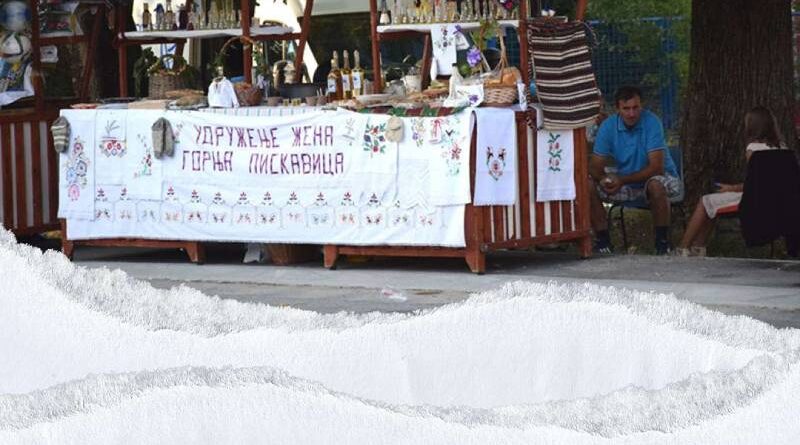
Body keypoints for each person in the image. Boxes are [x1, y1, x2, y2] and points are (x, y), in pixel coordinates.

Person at [675, 106, 787, 256]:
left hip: (757, 200)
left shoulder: (754, 148)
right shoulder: (782, 148)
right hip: (777, 199)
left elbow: (756, 184)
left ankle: (682, 248)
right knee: (712, 203)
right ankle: (698, 247)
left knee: (704, 201)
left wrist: (731, 188)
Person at [589, 86, 682, 255]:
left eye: (635, 107)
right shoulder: (608, 127)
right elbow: (595, 167)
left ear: (641, 106)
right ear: (617, 109)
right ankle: (603, 243)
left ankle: (662, 245)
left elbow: (656, 168)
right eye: (626, 108)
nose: (631, 113)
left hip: (661, 179)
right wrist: (603, 179)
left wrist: (621, 180)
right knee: (587, 184)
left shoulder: (652, 122)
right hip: (627, 184)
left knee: (656, 185)